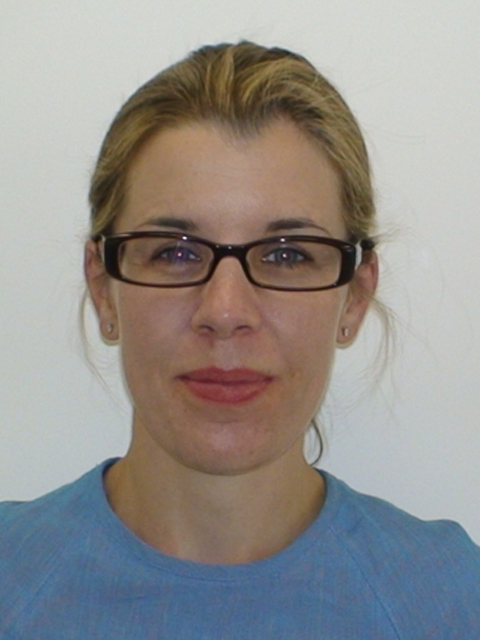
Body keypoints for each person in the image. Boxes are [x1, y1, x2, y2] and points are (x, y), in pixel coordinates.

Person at [1, 41, 479, 639]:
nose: (225, 313)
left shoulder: (450, 602)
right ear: (103, 288)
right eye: (175, 252)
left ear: (355, 296)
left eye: (287, 254)